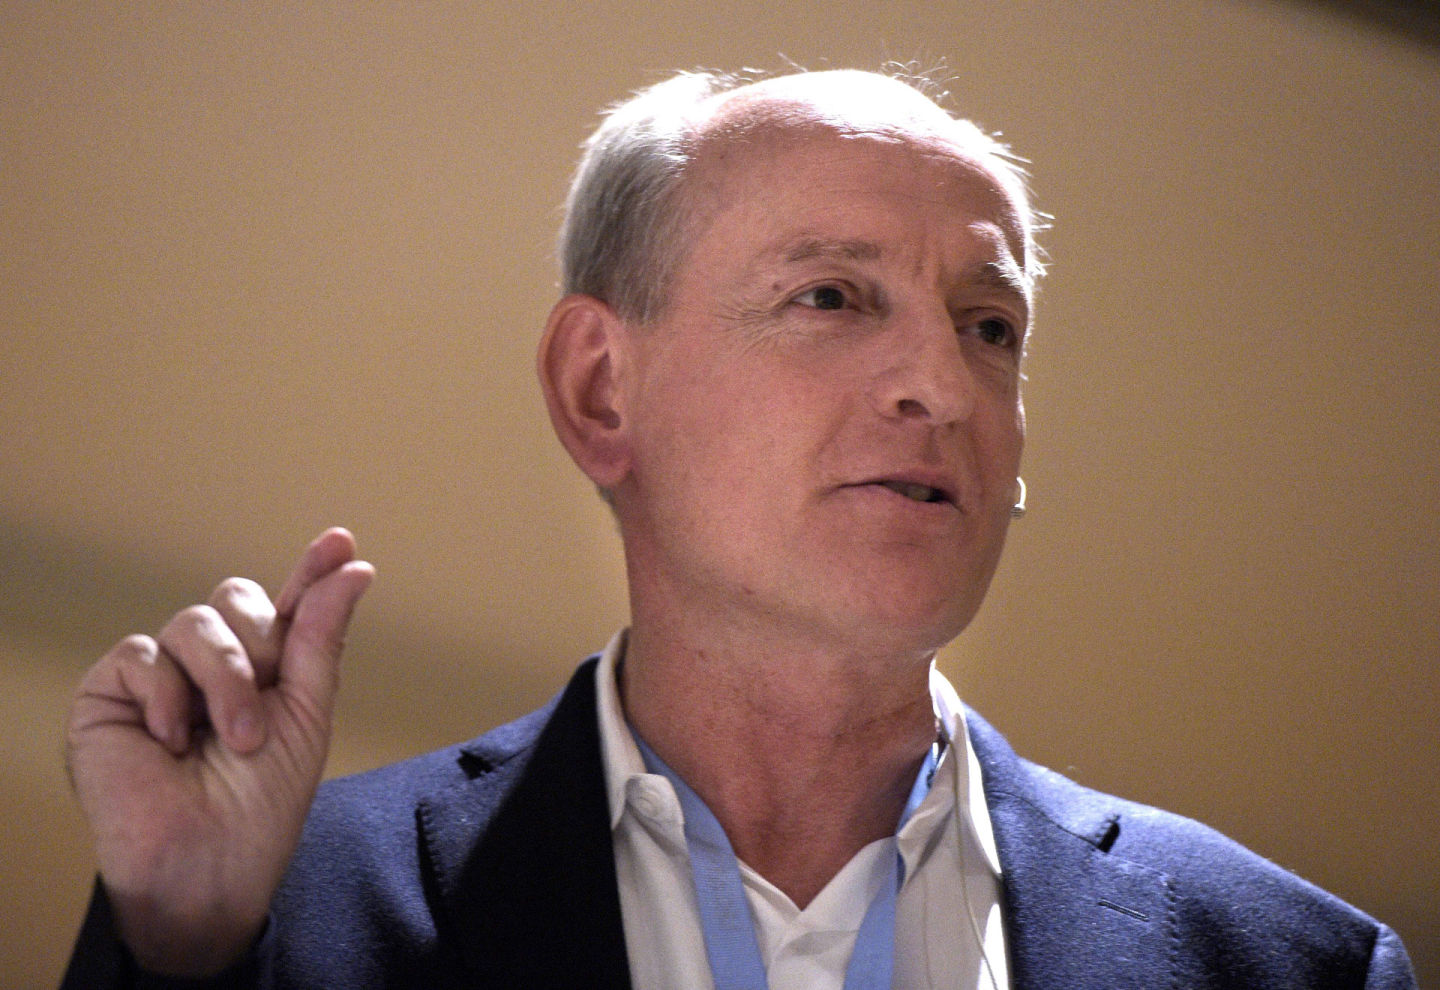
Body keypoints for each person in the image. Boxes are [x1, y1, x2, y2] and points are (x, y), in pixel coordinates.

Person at [61, 68, 1416, 989]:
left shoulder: (1286, 963)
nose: (944, 387)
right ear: (602, 390)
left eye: (989, 327)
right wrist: (181, 949)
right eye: (831, 297)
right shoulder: (291, 913)